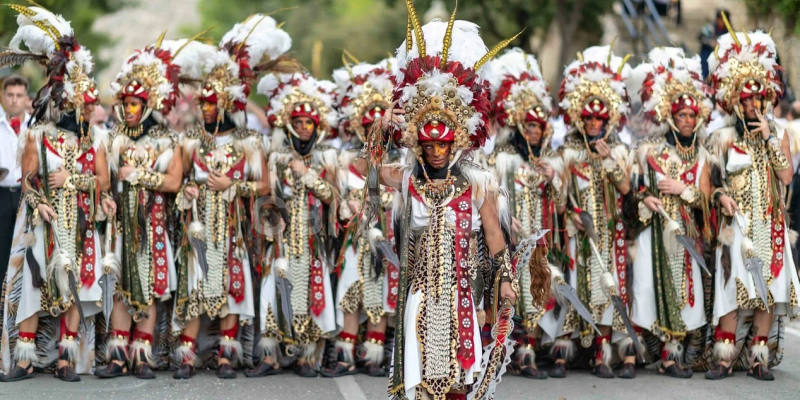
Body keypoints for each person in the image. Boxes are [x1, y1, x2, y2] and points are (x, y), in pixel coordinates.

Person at [353, 6, 551, 399]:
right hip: (421, 294)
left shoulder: (478, 183)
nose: (437, 152)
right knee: (421, 380)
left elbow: (495, 238)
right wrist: (382, 126)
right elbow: (361, 167)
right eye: (429, 145)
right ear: (420, 145)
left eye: (443, 144)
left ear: (457, 140)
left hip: (465, 293)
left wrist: (507, 282)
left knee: (461, 378)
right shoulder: (409, 178)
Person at [0, 4, 114, 382]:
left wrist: (72, 181)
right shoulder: (36, 135)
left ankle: (66, 358)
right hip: (45, 221)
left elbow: (103, 183)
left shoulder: (95, 138)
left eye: (79, 102)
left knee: (81, 283)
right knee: (35, 287)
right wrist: (41, 203)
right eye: (66, 100)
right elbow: (29, 179)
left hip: (81, 221)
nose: (73, 107)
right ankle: (26, 357)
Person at [93, 37, 214, 380]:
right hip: (119, 225)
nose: (130, 109)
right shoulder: (110, 138)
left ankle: (141, 355)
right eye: (126, 103)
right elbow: (103, 179)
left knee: (151, 286)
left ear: (147, 105)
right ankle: (117, 356)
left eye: (136, 104)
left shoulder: (167, 140)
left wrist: (140, 175)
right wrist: (107, 193)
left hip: (156, 223)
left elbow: (174, 182)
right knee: (120, 287)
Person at [174, 15, 284, 380]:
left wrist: (232, 187)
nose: (203, 108)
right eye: (201, 102)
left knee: (233, 288)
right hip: (199, 229)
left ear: (223, 104)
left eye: (209, 103)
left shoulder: (249, 143)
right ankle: (187, 356)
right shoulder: (189, 140)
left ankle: (226, 354)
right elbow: (180, 180)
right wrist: (189, 189)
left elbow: (266, 187)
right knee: (195, 286)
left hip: (234, 229)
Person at [705, 26, 800, 381]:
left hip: (771, 225)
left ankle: (759, 358)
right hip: (736, 229)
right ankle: (725, 359)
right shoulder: (722, 138)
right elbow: (710, 187)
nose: (750, 105)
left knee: (768, 292)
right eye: (744, 100)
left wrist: (770, 139)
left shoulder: (781, 134)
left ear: (767, 99)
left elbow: (787, 177)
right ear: (734, 100)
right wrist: (722, 197)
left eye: (756, 99)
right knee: (732, 292)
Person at [628, 47, 713, 378]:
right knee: (646, 289)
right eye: (682, 116)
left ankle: (670, 355)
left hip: (685, 235)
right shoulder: (651, 151)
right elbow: (636, 191)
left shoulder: (704, 156)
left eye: (692, 116)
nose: (688, 121)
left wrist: (683, 190)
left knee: (681, 294)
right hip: (653, 233)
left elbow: (705, 198)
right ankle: (634, 353)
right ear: (671, 118)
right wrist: (646, 200)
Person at [251, 70, 340, 378]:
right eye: (298, 123)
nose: (303, 129)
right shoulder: (276, 158)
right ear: (289, 125)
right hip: (281, 241)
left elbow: (333, 198)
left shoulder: (327, 158)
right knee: (272, 293)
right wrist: (270, 222)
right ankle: (271, 356)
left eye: (309, 124)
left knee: (312, 292)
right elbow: (265, 197)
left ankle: (307, 358)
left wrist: (308, 175)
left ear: (317, 127)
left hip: (314, 242)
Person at [556, 45, 637, 379]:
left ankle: (602, 354)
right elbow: (558, 199)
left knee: (608, 289)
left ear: (609, 119)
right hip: (578, 234)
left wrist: (607, 162)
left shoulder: (618, 148)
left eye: (598, 118)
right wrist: (568, 215)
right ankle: (562, 352)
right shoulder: (568, 150)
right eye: (587, 117)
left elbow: (627, 190)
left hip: (610, 233)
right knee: (572, 286)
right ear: (578, 117)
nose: (592, 122)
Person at [487, 48, 566, 379]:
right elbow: (490, 195)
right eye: (529, 126)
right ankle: (517, 352)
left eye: (539, 126)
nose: (534, 131)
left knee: (540, 291)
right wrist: (507, 219)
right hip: (512, 238)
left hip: (541, 240)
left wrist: (553, 180)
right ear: (519, 126)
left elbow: (561, 206)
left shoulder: (551, 160)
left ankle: (531, 350)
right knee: (513, 292)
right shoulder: (503, 158)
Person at [323, 57, 398, 377]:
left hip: (385, 242)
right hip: (354, 241)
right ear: (361, 129)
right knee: (351, 294)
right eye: (370, 129)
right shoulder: (345, 160)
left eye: (379, 130)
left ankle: (374, 356)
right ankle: (345, 355)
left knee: (378, 296)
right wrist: (347, 208)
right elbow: (335, 197)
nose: (374, 135)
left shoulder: (399, 163)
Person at [0, 75, 31, 281]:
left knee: (27, 253)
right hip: (2, 194)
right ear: (3, 96)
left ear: (26, 98)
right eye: (10, 95)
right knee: (2, 252)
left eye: (19, 95)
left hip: (28, 195)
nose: (14, 100)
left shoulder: (35, 126)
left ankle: (23, 309)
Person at [698, 9, 730, 79]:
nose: (721, 22)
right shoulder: (709, 28)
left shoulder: (729, 33)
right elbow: (701, 38)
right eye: (720, 19)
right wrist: (711, 43)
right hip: (709, 52)